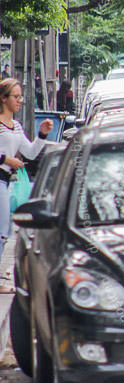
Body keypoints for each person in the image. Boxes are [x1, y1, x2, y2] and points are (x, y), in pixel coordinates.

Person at [0, 79, 51, 292]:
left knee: (6, 228)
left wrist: (42, 134)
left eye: (21, 97)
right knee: (3, 230)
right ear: (4, 98)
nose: (19, 101)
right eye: (16, 97)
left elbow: (30, 152)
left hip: (6, 181)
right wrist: (5, 160)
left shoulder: (16, 126)